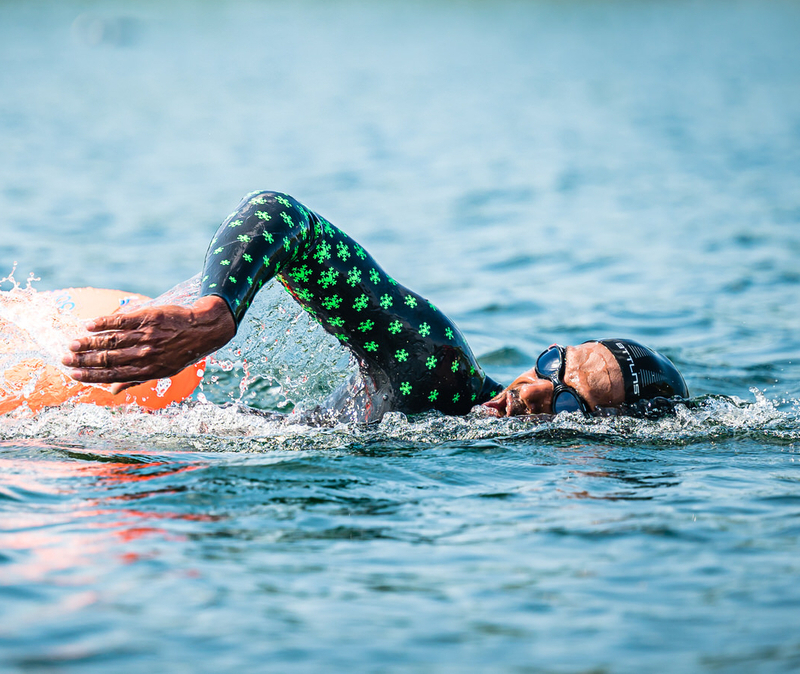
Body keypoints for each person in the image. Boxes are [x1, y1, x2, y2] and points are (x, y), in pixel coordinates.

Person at [62, 191, 689, 423]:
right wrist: (215, 312)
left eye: (573, 402)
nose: (535, 392)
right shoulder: (435, 369)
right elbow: (284, 217)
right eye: (554, 365)